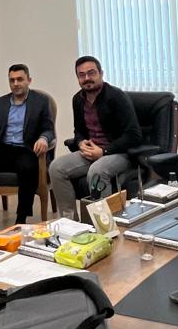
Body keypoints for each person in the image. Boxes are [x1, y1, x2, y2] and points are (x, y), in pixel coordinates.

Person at [0, 64, 55, 242]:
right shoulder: (0, 102)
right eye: (12, 80)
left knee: (28, 168)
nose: (16, 84)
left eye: (20, 79)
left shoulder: (40, 101)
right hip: (3, 148)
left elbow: (48, 128)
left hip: (26, 148)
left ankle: (20, 220)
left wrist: (43, 139)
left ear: (29, 80)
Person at [48, 56, 143, 217]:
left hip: (119, 153)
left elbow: (134, 135)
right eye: (81, 75)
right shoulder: (78, 99)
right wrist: (80, 143)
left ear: (101, 73)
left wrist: (104, 151)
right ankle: (69, 221)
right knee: (56, 167)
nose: (87, 78)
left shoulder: (117, 97)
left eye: (91, 73)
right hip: (91, 152)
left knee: (97, 171)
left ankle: (104, 224)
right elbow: (79, 131)